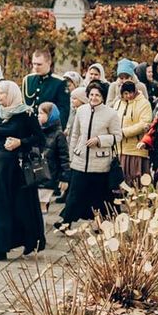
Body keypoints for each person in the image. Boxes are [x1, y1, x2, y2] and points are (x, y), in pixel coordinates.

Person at [0, 79, 45, 261]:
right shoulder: (0, 113)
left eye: (2, 92)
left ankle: (29, 241)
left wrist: (21, 142)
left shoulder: (26, 114)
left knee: (21, 207)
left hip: (18, 168)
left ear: (11, 94)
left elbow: (39, 138)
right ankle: (0, 248)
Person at [60, 79, 120, 226]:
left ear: (103, 97)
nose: (94, 98)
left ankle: (99, 223)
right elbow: (75, 134)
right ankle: (66, 222)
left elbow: (117, 136)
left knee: (98, 196)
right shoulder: (81, 111)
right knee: (74, 194)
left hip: (100, 163)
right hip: (80, 161)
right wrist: (72, 155)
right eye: (91, 94)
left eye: (97, 95)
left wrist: (99, 140)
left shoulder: (111, 114)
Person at [115, 76, 153, 187]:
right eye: (125, 93)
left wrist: (123, 132)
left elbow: (144, 123)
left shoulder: (144, 103)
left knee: (137, 182)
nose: (129, 96)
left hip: (136, 149)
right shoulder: (117, 104)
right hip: (119, 149)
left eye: (131, 92)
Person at [22, 49, 69, 130]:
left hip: (48, 129)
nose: (36, 67)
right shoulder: (28, 80)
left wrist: (57, 131)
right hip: (28, 129)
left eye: (39, 64)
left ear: (49, 63)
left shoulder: (59, 83)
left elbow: (63, 111)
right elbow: (23, 105)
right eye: (34, 64)